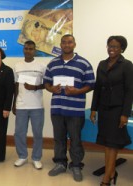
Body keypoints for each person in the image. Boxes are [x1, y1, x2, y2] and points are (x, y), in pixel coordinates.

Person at [43, 34, 95, 182]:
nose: (66, 45)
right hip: (57, 109)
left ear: (74, 44)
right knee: (59, 139)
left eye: (69, 42)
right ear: (60, 44)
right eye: (64, 42)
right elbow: (46, 82)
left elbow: (91, 84)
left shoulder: (84, 63)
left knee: (75, 139)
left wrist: (77, 91)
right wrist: (51, 89)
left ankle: (76, 165)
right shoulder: (52, 63)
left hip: (75, 110)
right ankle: (60, 163)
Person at [90, 36, 133, 186]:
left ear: (122, 48)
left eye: (115, 46)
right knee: (107, 144)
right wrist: (94, 109)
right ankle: (111, 172)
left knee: (113, 144)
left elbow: (129, 91)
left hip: (117, 110)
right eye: (109, 45)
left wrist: (125, 114)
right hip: (104, 109)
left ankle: (106, 178)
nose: (111, 49)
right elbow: (98, 88)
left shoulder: (127, 65)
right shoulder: (102, 64)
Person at [12, 40, 46, 169]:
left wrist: (35, 87)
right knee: (19, 133)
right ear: (23, 50)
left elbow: (47, 84)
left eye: (31, 49)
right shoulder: (17, 66)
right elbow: (16, 86)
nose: (28, 51)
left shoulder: (42, 66)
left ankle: (36, 158)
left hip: (37, 105)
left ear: (35, 50)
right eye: (26, 48)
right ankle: (22, 156)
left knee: (37, 133)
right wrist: (14, 103)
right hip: (21, 105)